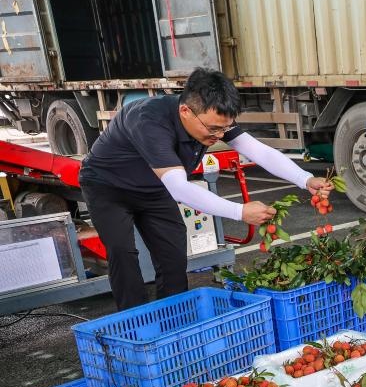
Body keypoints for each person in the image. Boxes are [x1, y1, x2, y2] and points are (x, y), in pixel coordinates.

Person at [79, 67, 331, 310]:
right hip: (108, 186)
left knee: (173, 252)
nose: (220, 136)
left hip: (154, 187)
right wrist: (240, 211)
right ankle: (133, 327)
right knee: (123, 252)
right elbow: (179, 188)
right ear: (186, 111)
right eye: (213, 129)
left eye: (225, 128)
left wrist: (305, 178)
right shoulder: (149, 120)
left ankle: (174, 319)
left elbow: (258, 151)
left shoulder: (212, 118)